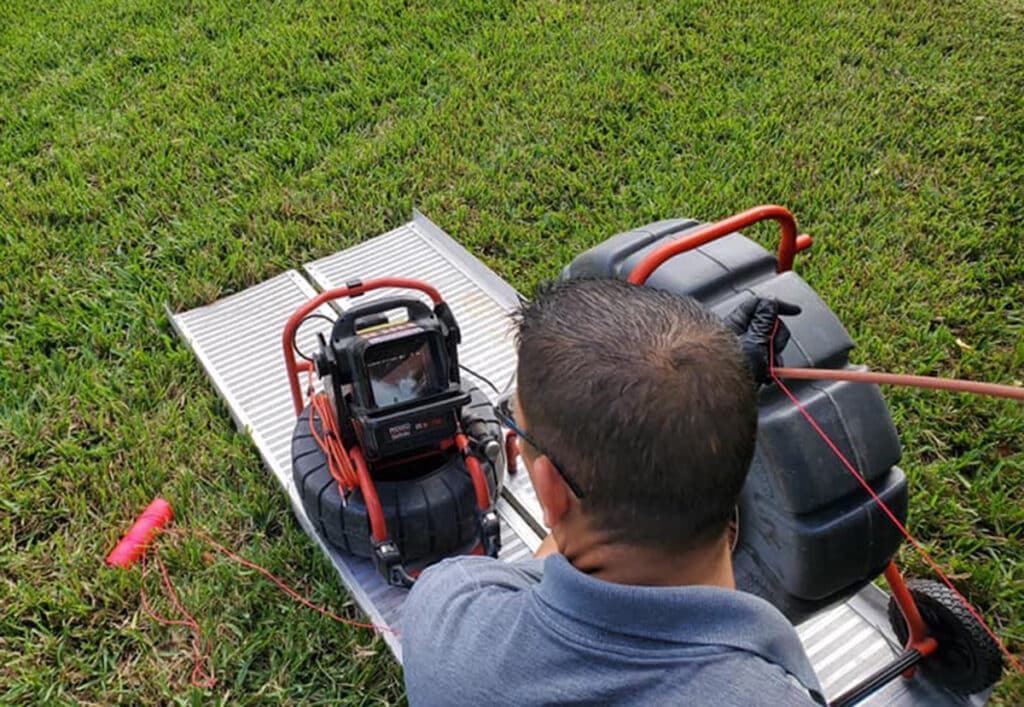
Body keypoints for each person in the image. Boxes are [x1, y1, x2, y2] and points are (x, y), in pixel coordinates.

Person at [401, 277, 824, 706]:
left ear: (550, 489)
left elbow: (550, 572)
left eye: (515, 422)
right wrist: (712, 408)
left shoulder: (445, 617)